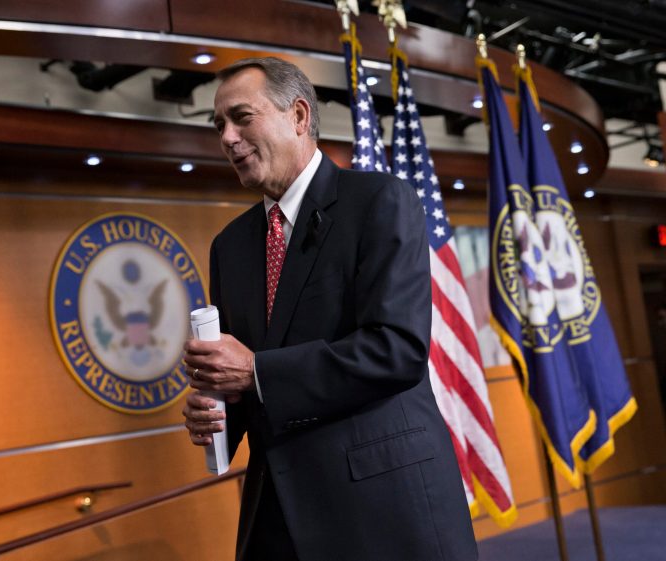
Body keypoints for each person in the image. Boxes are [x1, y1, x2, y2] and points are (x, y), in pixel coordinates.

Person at [182, 57, 477, 561]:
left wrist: (254, 371)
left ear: (298, 116)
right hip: (278, 519)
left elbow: (397, 349)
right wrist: (216, 412)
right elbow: (247, 382)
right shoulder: (228, 247)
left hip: (382, 513)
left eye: (241, 117)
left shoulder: (381, 201)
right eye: (218, 126)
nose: (227, 137)